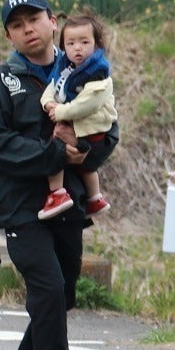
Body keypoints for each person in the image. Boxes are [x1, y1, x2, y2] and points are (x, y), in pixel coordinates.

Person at [0, 0, 118, 350]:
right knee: (46, 288)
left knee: (62, 293)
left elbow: (108, 127)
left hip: (68, 203)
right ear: (9, 35)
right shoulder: (2, 81)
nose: (27, 29)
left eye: (34, 19)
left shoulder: (83, 70)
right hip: (19, 206)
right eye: (16, 24)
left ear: (53, 22)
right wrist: (52, 158)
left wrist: (88, 154)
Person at [38, 12, 118, 221]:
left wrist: (61, 112)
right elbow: (52, 86)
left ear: (97, 45)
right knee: (86, 167)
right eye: (71, 43)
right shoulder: (67, 68)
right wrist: (48, 102)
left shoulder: (98, 72)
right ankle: (94, 198)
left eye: (84, 42)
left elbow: (87, 104)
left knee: (55, 149)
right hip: (83, 127)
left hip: (93, 128)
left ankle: (57, 194)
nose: (77, 48)